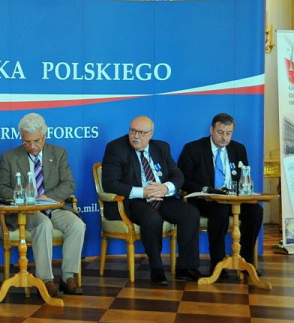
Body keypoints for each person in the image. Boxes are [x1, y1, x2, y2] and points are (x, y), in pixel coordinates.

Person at [0, 113, 85, 296]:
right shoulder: (9, 157)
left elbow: (69, 184)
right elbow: (0, 188)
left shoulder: (58, 153)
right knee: (44, 224)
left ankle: (67, 277)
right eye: (27, 142)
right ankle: (45, 280)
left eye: (36, 141)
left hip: (52, 206)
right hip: (26, 211)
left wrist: (46, 197)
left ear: (45, 135)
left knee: (77, 225)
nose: (32, 146)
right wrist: (21, 196)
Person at [101, 115, 201, 285]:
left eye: (141, 132)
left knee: (190, 213)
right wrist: (143, 192)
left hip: (161, 197)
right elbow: (110, 183)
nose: (136, 136)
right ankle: (157, 268)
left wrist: (166, 187)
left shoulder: (161, 147)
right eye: (132, 131)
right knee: (153, 218)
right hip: (133, 200)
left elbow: (177, 175)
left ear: (151, 134)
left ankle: (186, 267)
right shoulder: (116, 148)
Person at [177, 113, 263, 278]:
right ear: (211, 130)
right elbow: (183, 180)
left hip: (233, 198)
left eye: (228, 133)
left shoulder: (238, 149)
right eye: (220, 132)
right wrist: (207, 190)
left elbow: (244, 176)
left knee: (256, 211)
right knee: (220, 210)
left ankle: (245, 262)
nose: (224, 137)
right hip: (205, 199)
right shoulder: (193, 148)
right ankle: (218, 263)